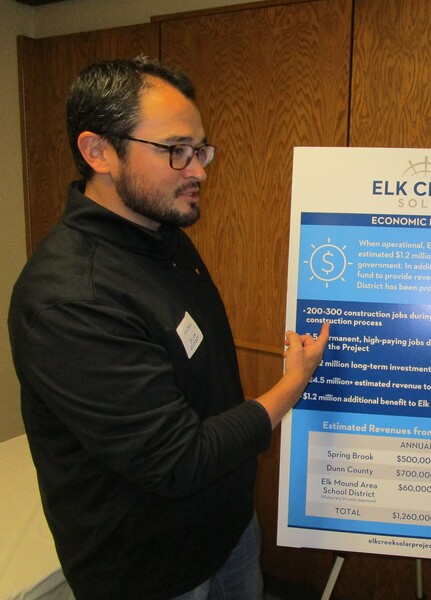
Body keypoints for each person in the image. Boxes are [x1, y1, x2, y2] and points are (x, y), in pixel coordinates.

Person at [8, 56, 329, 600]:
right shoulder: (71, 298)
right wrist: (288, 389)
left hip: (226, 530)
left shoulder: (161, 233)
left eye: (201, 149)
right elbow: (176, 460)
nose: (199, 169)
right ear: (98, 152)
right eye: (176, 150)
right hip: (150, 570)